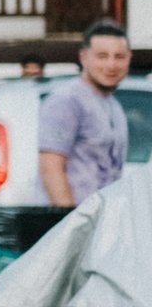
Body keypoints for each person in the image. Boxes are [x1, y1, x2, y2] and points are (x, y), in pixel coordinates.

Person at [38, 19, 132, 206]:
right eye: (102, 56)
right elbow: (51, 169)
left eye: (119, 57)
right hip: (73, 224)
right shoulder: (67, 100)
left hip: (102, 223)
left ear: (129, 58)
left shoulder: (114, 106)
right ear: (83, 57)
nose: (111, 65)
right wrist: (73, 225)